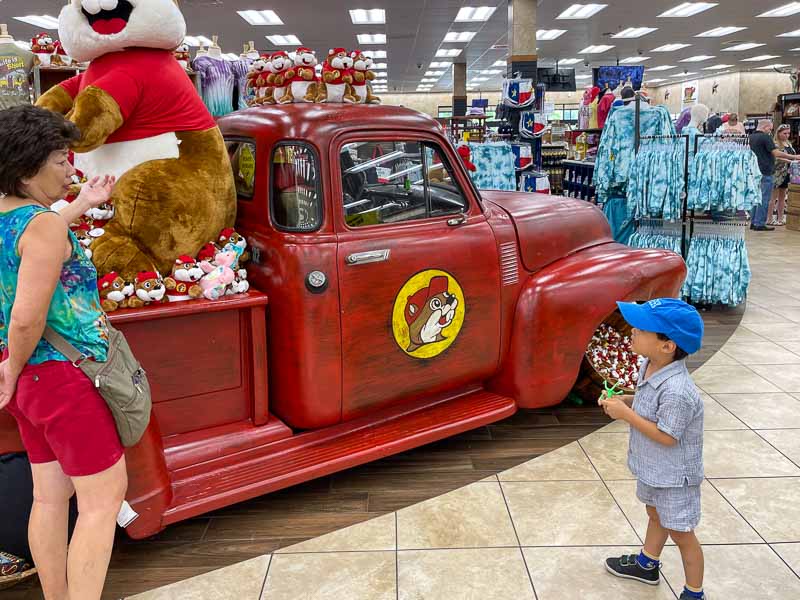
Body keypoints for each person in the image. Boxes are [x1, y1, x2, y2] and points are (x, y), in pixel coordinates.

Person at [0, 105, 126, 600]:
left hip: (32, 383)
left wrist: (11, 369)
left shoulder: (12, 217)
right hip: (66, 380)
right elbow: (27, 318)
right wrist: (11, 369)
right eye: (59, 159)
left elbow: (42, 235)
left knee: (50, 499)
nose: (69, 170)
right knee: (102, 501)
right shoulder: (43, 227)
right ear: (28, 167)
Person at [600, 298, 706, 600]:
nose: (633, 330)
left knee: (682, 533)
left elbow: (667, 436)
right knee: (655, 513)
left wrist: (625, 414)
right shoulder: (650, 365)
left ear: (667, 346)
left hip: (675, 478)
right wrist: (625, 399)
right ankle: (648, 563)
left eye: (643, 328)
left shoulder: (678, 391)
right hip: (653, 467)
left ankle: (694, 593)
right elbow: (647, 402)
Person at [749, 119, 800, 231]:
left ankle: (754, 221)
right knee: (765, 198)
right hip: (766, 170)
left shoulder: (751, 137)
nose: (770, 131)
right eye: (770, 129)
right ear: (765, 127)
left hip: (755, 170)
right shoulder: (766, 137)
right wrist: (794, 157)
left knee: (756, 197)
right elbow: (776, 153)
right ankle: (759, 223)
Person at [769, 123, 796, 226]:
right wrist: (790, 161)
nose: (787, 135)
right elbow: (776, 158)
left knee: (782, 197)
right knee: (773, 197)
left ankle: (780, 218)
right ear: (779, 133)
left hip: (787, 173)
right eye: (784, 133)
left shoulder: (789, 144)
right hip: (777, 173)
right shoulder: (775, 144)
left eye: (788, 133)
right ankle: (769, 218)